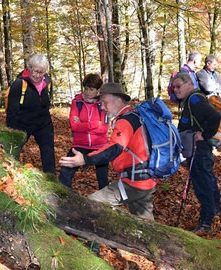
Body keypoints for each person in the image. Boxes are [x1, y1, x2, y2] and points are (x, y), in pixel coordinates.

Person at [59, 83, 157, 220]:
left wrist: (85, 159)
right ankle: (153, 240)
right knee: (146, 223)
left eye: (105, 103)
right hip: (144, 178)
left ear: (118, 101)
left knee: (93, 202)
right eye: (101, 103)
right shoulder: (135, 115)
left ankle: (96, 239)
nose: (102, 107)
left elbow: (115, 148)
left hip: (134, 183)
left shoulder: (126, 121)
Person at [173, 72, 221, 232]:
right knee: (207, 180)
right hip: (197, 149)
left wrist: (205, 135)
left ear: (189, 84)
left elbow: (215, 117)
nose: (176, 90)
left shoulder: (195, 99)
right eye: (174, 87)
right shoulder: (190, 100)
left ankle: (206, 222)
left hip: (199, 150)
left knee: (203, 185)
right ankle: (214, 211)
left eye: (178, 86)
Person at [6, 54, 56, 174]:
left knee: (48, 152)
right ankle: (11, 175)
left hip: (43, 124)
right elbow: (12, 111)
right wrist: (12, 132)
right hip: (22, 124)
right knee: (14, 151)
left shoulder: (47, 82)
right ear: (29, 68)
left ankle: (51, 180)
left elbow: (46, 103)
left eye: (41, 72)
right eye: (35, 71)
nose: (38, 75)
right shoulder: (19, 84)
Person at [59, 73, 109, 189]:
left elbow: (104, 129)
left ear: (97, 91)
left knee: (103, 179)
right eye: (86, 88)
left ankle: (105, 204)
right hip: (80, 145)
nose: (87, 92)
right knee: (65, 172)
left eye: (91, 89)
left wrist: (82, 125)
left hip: (99, 145)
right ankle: (65, 199)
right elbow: (74, 126)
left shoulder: (103, 104)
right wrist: (95, 124)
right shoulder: (77, 102)